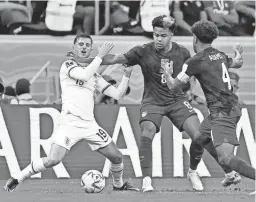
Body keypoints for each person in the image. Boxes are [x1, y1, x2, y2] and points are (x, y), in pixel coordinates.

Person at [72, 16, 240, 192]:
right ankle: (146, 180)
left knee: (199, 136)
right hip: (152, 101)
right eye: (156, 34)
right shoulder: (142, 51)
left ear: (172, 35)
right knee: (147, 132)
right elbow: (114, 59)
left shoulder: (182, 53)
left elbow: (195, 74)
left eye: (163, 35)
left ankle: (218, 172)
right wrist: (84, 60)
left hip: (177, 100)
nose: (159, 39)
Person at [4, 33, 139, 192]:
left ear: (90, 49)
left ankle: (118, 185)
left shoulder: (95, 74)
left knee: (117, 157)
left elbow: (118, 94)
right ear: (74, 48)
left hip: (90, 125)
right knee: (53, 160)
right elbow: (83, 74)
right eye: (80, 44)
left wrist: (126, 75)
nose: (84, 47)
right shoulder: (68, 65)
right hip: (70, 123)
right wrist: (101, 56)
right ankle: (17, 178)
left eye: (87, 45)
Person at [164, 20, 255, 193]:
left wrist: (168, 74)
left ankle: (235, 173)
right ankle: (194, 172)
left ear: (195, 38)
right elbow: (237, 63)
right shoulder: (219, 55)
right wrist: (238, 55)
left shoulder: (194, 61)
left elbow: (173, 86)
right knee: (199, 138)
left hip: (224, 112)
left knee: (225, 158)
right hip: (222, 109)